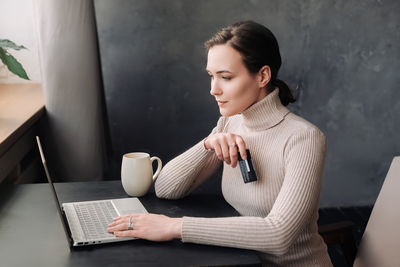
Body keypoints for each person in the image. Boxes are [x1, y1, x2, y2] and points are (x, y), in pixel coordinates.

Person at [108, 20, 332, 266]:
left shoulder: (303, 138)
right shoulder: (230, 123)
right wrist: (208, 144)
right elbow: (166, 189)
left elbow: (278, 235)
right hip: (240, 261)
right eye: (211, 76)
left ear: (263, 76)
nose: (214, 89)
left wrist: (174, 226)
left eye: (225, 77)